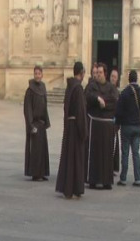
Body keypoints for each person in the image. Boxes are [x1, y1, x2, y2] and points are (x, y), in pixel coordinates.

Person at [56, 62, 88, 199]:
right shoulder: (79, 88)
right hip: (75, 126)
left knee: (68, 158)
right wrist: (83, 131)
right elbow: (81, 111)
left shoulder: (69, 87)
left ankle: (67, 187)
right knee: (76, 158)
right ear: (81, 72)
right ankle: (75, 188)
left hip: (69, 125)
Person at [85, 63, 119, 190]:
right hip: (95, 125)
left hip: (107, 126)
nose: (98, 74)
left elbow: (114, 101)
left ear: (105, 73)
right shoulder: (92, 86)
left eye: (100, 72)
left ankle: (106, 181)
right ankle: (93, 180)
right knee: (94, 154)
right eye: (97, 72)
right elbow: (88, 97)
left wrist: (103, 103)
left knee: (107, 154)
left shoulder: (111, 87)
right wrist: (98, 99)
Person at [115, 69, 140, 187]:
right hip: (137, 127)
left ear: (128, 79)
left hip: (126, 126)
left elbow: (118, 111)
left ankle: (123, 178)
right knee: (136, 153)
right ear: (137, 79)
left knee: (124, 153)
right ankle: (138, 178)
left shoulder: (124, 93)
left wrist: (117, 124)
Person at [23, 65, 51, 181]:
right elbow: (27, 108)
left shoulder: (43, 87)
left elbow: (45, 106)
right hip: (34, 123)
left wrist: (47, 121)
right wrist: (30, 125)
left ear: (42, 75)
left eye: (39, 73)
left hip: (41, 123)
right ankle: (35, 173)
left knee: (43, 150)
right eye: (36, 74)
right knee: (35, 151)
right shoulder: (30, 90)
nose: (37, 76)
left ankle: (42, 172)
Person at [110, 68, 121, 175]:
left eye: (115, 77)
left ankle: (113, 168)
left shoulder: (118, 92)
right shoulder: (107, 89)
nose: (113, 78)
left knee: (114, 147)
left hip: (115, 123)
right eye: (112, 76)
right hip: (108, 122)